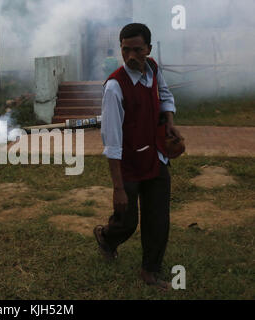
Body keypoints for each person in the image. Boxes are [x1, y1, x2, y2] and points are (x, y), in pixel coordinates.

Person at [94, 23, 183, 290]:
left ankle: (150, 271)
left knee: (158, 219)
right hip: (129, 164)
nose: (131, 56)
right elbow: (111, 141)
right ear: (120, 49)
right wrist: (118, 188)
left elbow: (165, 94)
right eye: (125, 50)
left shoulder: (153, 68)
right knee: (127, 221)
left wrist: (169, 121)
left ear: (148, 49)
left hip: (156, 156)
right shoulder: (114, 87)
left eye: (137, 50)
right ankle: (107, 237)